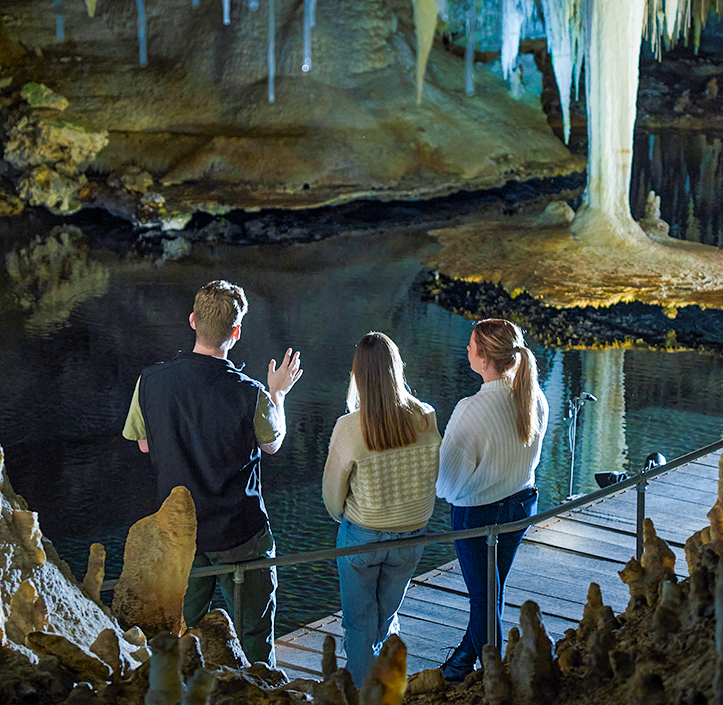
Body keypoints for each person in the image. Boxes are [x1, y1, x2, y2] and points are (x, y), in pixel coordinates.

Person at [121, 280, 302, 667]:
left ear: (192, 321)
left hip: (179, 535)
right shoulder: (250, 392)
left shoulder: (150, 381)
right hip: (240, 533)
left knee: (173, 632)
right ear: (236, 333)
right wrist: (279, 396)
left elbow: (144, 444)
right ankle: (260, 687)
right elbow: (272, 444)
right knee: (254, 635)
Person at [321, 332, 441, 685]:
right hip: (411, 537)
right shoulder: (425, 417)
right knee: (386, 617)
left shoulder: (349, 428)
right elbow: (431, 475)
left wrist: (340, 514)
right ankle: (389, 690)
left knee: (359, 623)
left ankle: (361, 692)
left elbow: (332, 495)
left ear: (357, 375)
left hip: (361, 536)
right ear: (396, 368)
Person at [435, 318, 549, 684]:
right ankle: (463, 662)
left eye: (472, 345)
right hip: (521, 506)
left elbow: (447, 485)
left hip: (478, 515)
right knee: (490, 593)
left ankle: (494, 676)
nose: (467, 349)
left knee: (484, 599)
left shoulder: (471, 410)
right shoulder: (535, 398)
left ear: (484, 358)